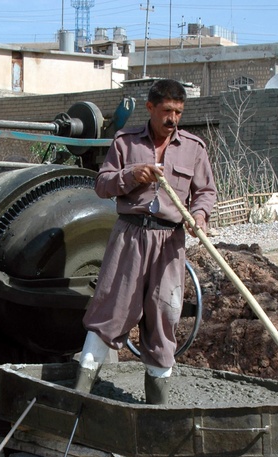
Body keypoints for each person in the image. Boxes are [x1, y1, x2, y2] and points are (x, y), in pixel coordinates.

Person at [75, 79, 216, 404]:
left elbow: (206, 192)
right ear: (150, 108)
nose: (173, 119)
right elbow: (102, 184)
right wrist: (131, 176)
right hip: (130, 237)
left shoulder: (194, 147)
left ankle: (156, 409)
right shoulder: (125, 142)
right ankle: (79, 397)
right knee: (110, 311)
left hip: (170, 243)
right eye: (167, 111)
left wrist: (200, 216)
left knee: (164, 318)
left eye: (178, 112)